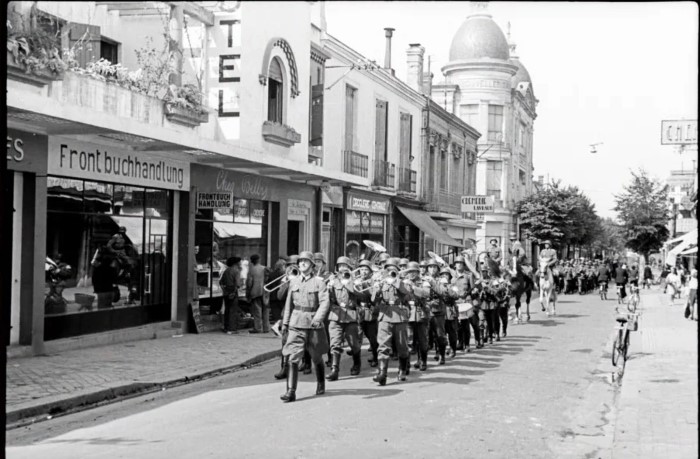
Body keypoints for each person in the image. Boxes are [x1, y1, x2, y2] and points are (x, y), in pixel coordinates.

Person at [280, 251, 330, 402]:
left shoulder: (319, 283)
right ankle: (291, 391)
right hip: (296, 323)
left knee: (316, 356)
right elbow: (288, 304)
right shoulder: (294, 282)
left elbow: (325, 302)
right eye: (300, 261)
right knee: (292, 357)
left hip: (313, 324)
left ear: (312, 266)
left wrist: (318, 318)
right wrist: (285, 323)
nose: (302, 263)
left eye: (306, 262)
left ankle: (321, 382)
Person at [371, 257, 411, 385]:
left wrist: (395, 281)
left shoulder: (404, 281)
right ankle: (382, 373)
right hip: (385, 315)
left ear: (398, 270)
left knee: (402, 346)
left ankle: (403, 369)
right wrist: (377, 289)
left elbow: (408, 294)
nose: (390, 272)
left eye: (393, 269)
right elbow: (373, 300)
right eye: (387, 269)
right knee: (383, 345)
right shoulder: (381, 282)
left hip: (399, 316)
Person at [326, 256, 363, 380]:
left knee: (354, 344)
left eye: (345, 266)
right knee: (334, 343)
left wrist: (349, 284)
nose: (342, 268)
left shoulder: (356, 280)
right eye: (340, 265)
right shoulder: (333, 280)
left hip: (350, 315)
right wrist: (329, 287)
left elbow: (362, 295)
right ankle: (334, 369)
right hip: (336, 315)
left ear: (349, 268)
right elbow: (328, 299)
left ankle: (357, 363)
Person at [246, 254, 269, 333]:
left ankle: (258, 328)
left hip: (255, 292)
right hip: (265, 292)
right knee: (265, 311)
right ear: (259, 259)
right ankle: (266, 328)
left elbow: (249, 283)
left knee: (257, 311)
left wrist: (248, 293)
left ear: (252, 261)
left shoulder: (252, 270)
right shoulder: (265, 268)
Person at [219, 257, 242, 334]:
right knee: (233, 310)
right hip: (233, 291)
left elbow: (221, 282)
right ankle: (232, 328)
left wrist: (225, 290)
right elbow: (238, 284)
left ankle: (226, 327)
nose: (240, 263)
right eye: (239, 262)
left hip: (226, 292)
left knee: (227, 310)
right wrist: (234, 291)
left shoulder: (226, 271)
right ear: (236, 263)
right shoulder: (236, 271)